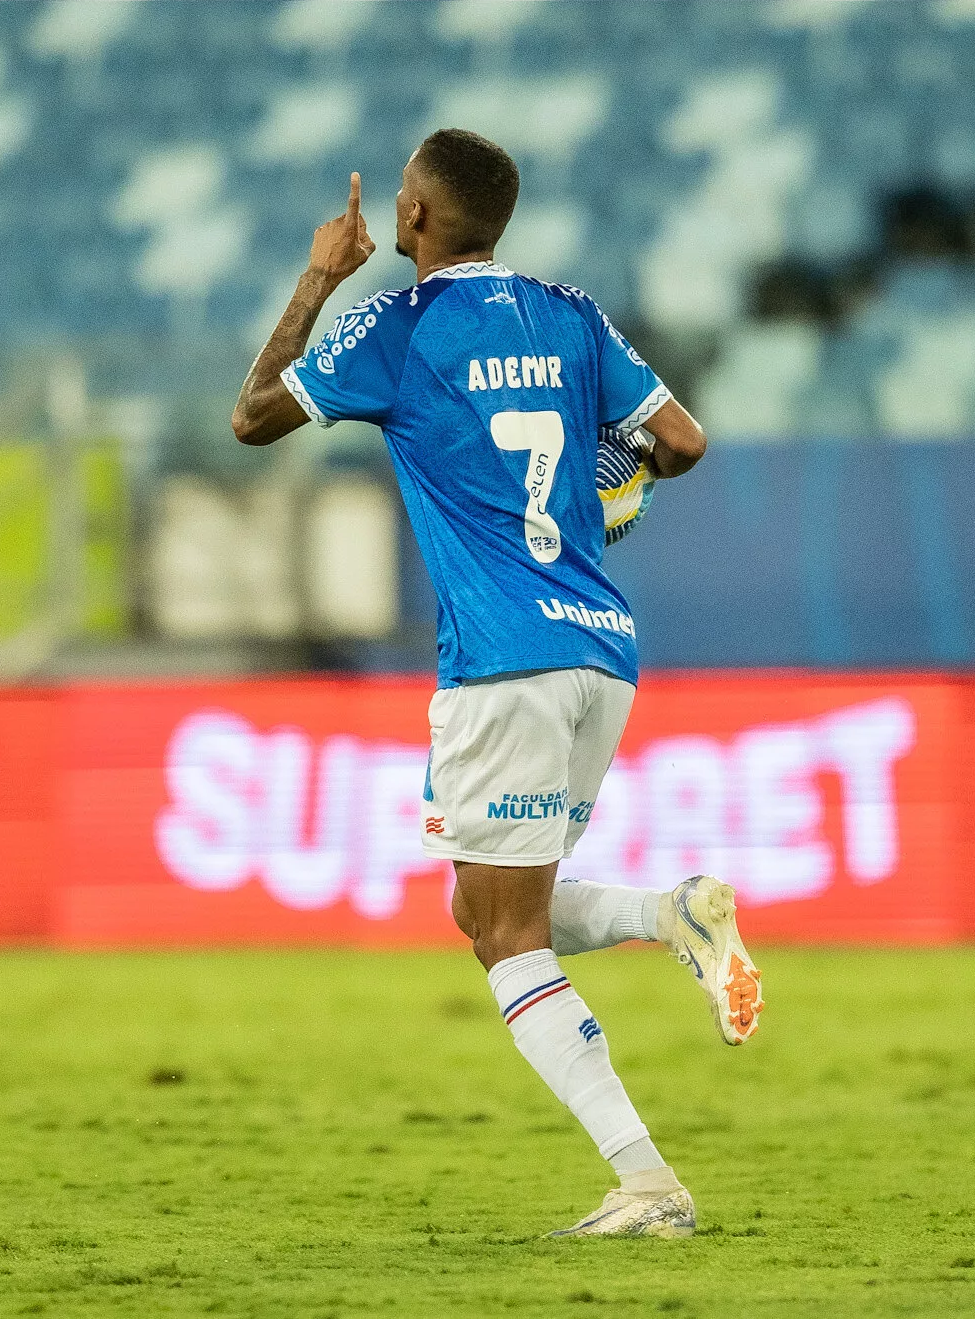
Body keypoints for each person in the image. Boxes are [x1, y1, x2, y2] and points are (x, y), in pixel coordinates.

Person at [231, 128, 763, 1239]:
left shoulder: (398, 323)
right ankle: (673, 915)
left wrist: (324, 273)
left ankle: (649, 1183)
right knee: (483, 909)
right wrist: (613, 484)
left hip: (500, 661)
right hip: (598, 648)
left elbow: (252, 416)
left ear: (413, 219)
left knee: (507, 935)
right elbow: (682, 437)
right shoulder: (569, 313)